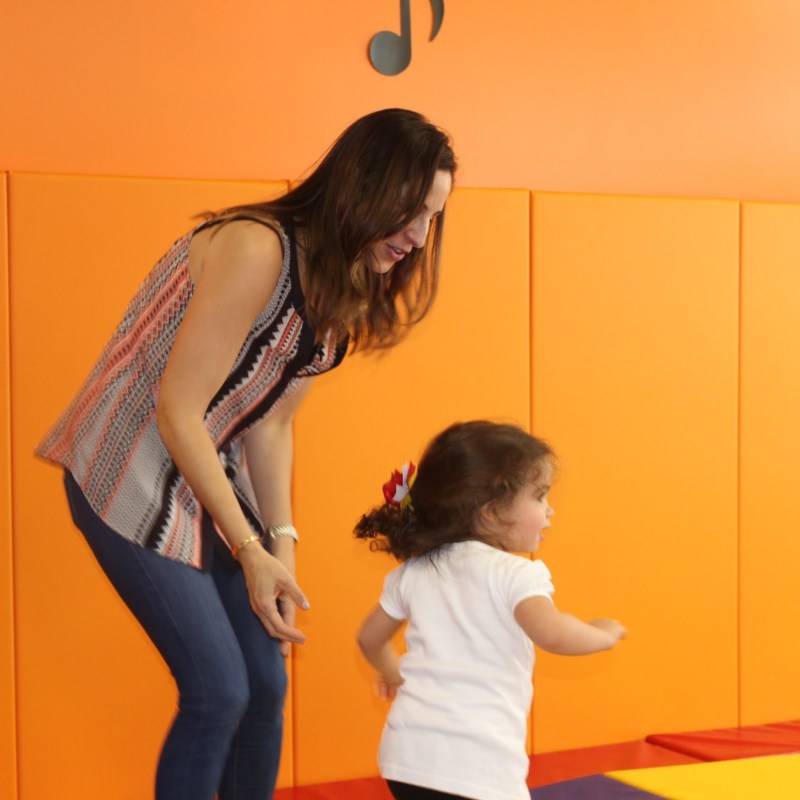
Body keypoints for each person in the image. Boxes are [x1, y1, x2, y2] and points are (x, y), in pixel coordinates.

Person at [36, 108, 457, 800]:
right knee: (218, 690)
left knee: (264, 685)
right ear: (363, 186)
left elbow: (272, 425)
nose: (417, 237)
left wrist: (280, 548)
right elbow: (177, 409)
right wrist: (249, 549)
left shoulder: (343, 285)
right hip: (127, 463)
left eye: (432, 218)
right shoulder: (256, 248)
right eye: (410, 211)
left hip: (205, 473)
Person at [354, 421, 626, 800]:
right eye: (540, 496)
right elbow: (553, 633)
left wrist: (393, 675)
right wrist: (602, 634)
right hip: (476, 765)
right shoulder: (514, 574)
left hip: (407, 758)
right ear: (492, 512)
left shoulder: (414, 571)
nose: (550, 510)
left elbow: (369, 638)